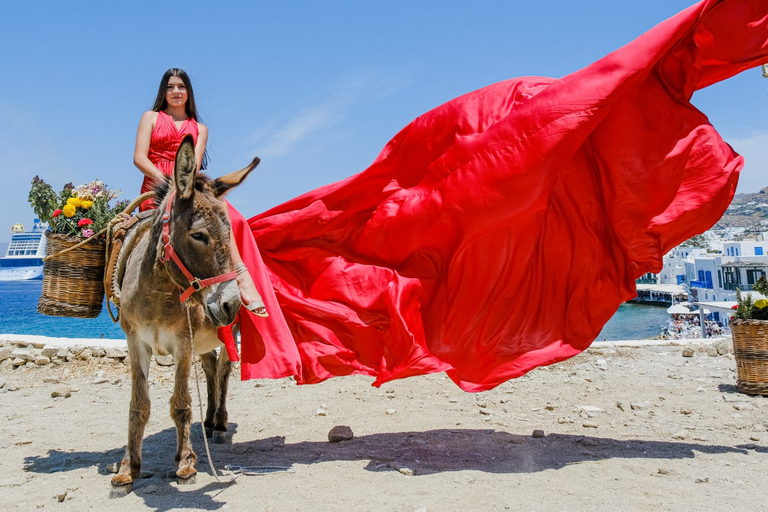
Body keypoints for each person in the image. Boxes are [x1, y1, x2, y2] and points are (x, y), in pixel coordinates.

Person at [133, 68, 269, 317]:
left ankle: (240, 274)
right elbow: (139, 158)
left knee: (229, 216)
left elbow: (193, 167)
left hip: (187, 189)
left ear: (189, 92)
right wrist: (167, 183)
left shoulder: (200, 128)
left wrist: (182, 185)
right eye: (171, 87)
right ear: (163, 92)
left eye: (181, 87)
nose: (176, 92)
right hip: (157, 188)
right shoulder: (150, 117)